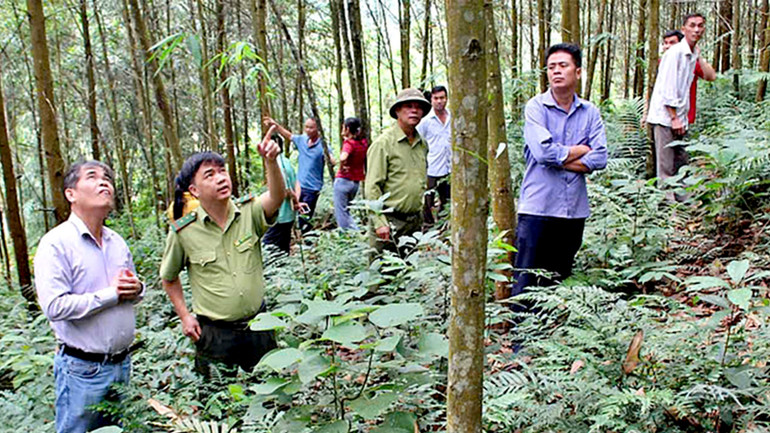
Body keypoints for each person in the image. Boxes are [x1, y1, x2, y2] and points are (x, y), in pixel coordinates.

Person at [159, 128, 285, 376]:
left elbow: (278, 197)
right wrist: (185, 316)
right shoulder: (184, 232)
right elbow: (169, 277)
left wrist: (271, 162)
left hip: (259, 326)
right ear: (194, 190)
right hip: (215, 334)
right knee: (218, 406)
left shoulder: (249, 212)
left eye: (222, 171)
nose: (220, 178)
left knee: (272, 398)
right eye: (209, 175)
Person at [35, 161, 144, 433]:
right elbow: (55, 306)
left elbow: (131, 291)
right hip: (82, 371)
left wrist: (137, 288)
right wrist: (111, 295)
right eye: (93, 177)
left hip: (122, 365)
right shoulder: (55, 244)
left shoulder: (116, 241)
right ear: (71, 194)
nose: (104, 182)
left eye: (107, 177)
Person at [512, 43, 607, 304]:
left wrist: (558, 158)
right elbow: (543, 154)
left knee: (560, 280)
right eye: (551, 67)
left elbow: (600, 158)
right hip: (538, 209)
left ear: (577, 72)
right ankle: (523, 341)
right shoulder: (536, 108)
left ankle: (553, 337)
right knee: (526, 280)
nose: (556, 71)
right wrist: (580, 150)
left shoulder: (590, 112)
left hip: (573, 210)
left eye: (563, 65)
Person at [365, 88, 431, 256]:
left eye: (418, 106)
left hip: (414, 222)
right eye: (408, 106)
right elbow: (372, 186)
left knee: (407, 274)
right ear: (397, 111)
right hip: (389, 221)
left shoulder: (422, 144)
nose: (414, 110)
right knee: (381, 277)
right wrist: (380, 222)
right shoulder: (383, 144)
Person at [647, 13, 707, 190]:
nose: (696, 29)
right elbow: (668, 87)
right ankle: (668, 211)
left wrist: (681, 118)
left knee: (681, 165)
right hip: (665, 118)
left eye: (700, 25)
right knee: (665, 168)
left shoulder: (692, 53)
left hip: (680, 118)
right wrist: (674, 118)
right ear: (684, 29)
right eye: (692, 25)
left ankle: (684, 206)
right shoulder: (675, 53)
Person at [263, 116, 334, 232]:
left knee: (305, 218)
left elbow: (331, 159)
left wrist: (332, 160)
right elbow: (288, 135)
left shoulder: (323, 145)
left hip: (312, 188)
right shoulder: (302, 140)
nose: (308, 130)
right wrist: (275, 125)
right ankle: (297, 236)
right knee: (292, 212)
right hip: (299, 186)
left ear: (318, 129)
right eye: (306, 127)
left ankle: (307, 241)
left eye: (311, 127)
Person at [661, 28, 716, 126]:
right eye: (665, 43)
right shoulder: (661, 62)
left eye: (672, 43)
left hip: (684, 119)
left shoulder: (690, 61)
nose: (667, 46)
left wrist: (698, 56)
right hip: (661, 118)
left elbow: (711, 76)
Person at [417, 85, 452, 227]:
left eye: (442, 98)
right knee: (427, 201)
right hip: (431, 167)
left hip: (449, 167)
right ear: (431, 100)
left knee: (447, 199)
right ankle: (427, 226)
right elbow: (417, 141)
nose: (439, 101)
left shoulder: (452, 117)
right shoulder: (425, 121)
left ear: (447, 99)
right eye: (436, 98)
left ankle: (444, 227)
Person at [262, 134, 301, 254]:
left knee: (268, 247)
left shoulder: (277, 164)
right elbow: (297, 183)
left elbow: (286, 189)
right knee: (283, 247)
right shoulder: (286, 161)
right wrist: (296, 202)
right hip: (288, 214)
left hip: (280, 215)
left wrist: (294, 199)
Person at [334, 117, 368, 230]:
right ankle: (355, 233)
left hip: (344, 180)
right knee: (346, 211)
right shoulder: (362, 143)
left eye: (344, 127)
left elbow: (343, 157)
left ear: (347, 128)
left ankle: (350, 235)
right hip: (355, 183)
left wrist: (342, 166)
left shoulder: (349, 144)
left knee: (341, 213)